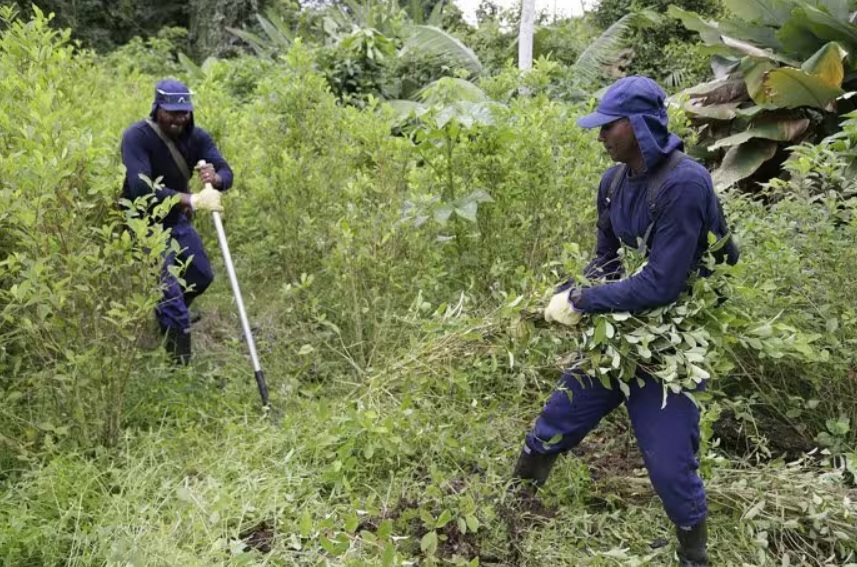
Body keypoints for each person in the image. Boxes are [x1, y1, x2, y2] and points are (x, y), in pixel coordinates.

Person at [512, 76, 738, 567]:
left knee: (671, 464)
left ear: (637, 126)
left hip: (668, 345)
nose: (600, 137)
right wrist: (567, 293)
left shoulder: (685, 185)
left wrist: (584, 299)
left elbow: (661, 285)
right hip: (620, 332)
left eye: (607, 127)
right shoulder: (613, 184)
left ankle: (693, 558)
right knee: (556, 419)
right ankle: (513, 507)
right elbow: (606, 262)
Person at [120, 78, 232, 364]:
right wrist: (191, 200)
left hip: (175, 220)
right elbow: (142, 189)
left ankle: (167, 317)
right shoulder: (137, 137)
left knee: (201, 275)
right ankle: (177, 371)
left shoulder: (197, 138)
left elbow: (226, 171)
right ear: (157, 108)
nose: (179, 119)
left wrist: (216, 178)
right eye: (171, 112)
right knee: (170, 297)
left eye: (184, 112)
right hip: (142, 223)